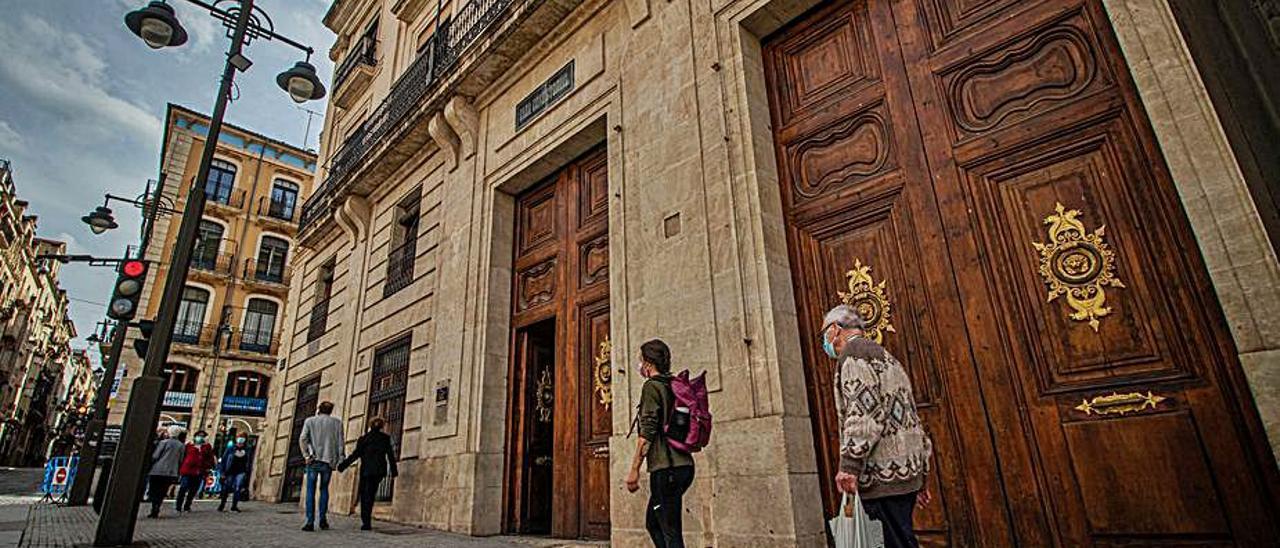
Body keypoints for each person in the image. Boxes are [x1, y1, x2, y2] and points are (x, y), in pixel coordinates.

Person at [822, 304, 933, 548]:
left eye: (825, 333)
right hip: (905, 475)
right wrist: (922, 477)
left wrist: (850, 465)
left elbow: (864, 414)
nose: (825, 341)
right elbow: (912, 420)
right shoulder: (887, 358)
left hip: (882, 477)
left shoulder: (854, 355)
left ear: (835, 330)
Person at [624, 339, 695, 548]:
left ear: (647, 363)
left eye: (640, 359)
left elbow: (647, 432)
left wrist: (634, 469)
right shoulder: (674, 385)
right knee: (654, 523)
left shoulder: (652, 387)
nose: (639, 364)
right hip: (684, 467)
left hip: (667, 469)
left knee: (670, 532)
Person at [337, 417, 399, 531]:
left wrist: (343, 466)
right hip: (379, 471)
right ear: (382, 426)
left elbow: (356, 454)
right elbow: (390, 455)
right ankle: (366, 520)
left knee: (365, 495)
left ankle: (366, 522)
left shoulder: (364, 439)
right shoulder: (385, 438)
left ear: (370, 426)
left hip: (366, 471)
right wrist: (394, 471)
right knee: (370, 494)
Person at [298, 401, 344, 531]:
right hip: (328, 461)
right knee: (324, 489)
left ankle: (310, 521)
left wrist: (306, 455)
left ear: (319, 409)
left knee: (310, 491)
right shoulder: (337, 423)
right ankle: (323, 519)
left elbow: (302, 439)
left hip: (313, 460)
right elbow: (341, 442)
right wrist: (340, 458)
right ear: (330, 410)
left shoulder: (310, 421)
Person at [147, 425, 186, 518]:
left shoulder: (163, 443)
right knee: (162, 490)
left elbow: (155, 456)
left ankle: (154, 507)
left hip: (158, 470)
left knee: (154, 489)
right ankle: (158, 506)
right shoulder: (181, 445)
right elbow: (181, 459)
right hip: (171, 472)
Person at [176, 429, 216, 512]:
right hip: (187, 470)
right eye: (199, 436)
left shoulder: (207, 447)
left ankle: (187, 505)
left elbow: (210, 458)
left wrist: (208, 467)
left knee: (193, 490)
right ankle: (178, 505)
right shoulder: (189, 446)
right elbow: (183, 456)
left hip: (199, 471)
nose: (200, 438)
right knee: (183, 487)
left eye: (202, 436)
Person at [217, 435, 254, 512]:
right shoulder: (231, 449)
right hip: (230, 471)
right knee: (227, 488)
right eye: (239, 438)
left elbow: (249, 461)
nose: (240, 440)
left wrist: (247, 472)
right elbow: (224, 460)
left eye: (242, 438)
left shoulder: (247, 449)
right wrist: (222, 472)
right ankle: (222, 504)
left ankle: (234, 506)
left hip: (241, 471)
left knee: (237, 488)